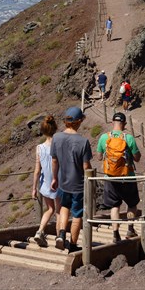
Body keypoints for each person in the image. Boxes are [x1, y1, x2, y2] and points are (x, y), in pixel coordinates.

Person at [50, 107, 92, 252]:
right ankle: (73, 246)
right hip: (78, 184)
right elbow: (86, 166)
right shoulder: (83, 142)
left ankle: (61, 234)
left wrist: (54, 178)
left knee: (63, 208)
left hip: (63, 181)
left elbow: (54, 161)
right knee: (77, 214)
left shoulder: (56, 137)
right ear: (78, 121)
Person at [96, 112, 141, 243]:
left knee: (115, 206)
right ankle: (130, 229)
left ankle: (115, 234)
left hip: (110, 177)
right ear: (125, 124)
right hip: (128, 177)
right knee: (132, 204)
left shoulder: (104, 137)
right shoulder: (129, 138)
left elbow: (99, 156)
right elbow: (137, 158)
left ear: (112, 123)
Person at [32, 115, 61, 247]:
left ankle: (39, 231)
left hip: (45, 183)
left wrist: (34, 188)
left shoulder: (39, 148)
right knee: (59, 211)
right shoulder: (59, 145)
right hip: (58, 181)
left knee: (50, 209)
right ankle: (59, 238)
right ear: (55, 129)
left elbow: (37, 170)